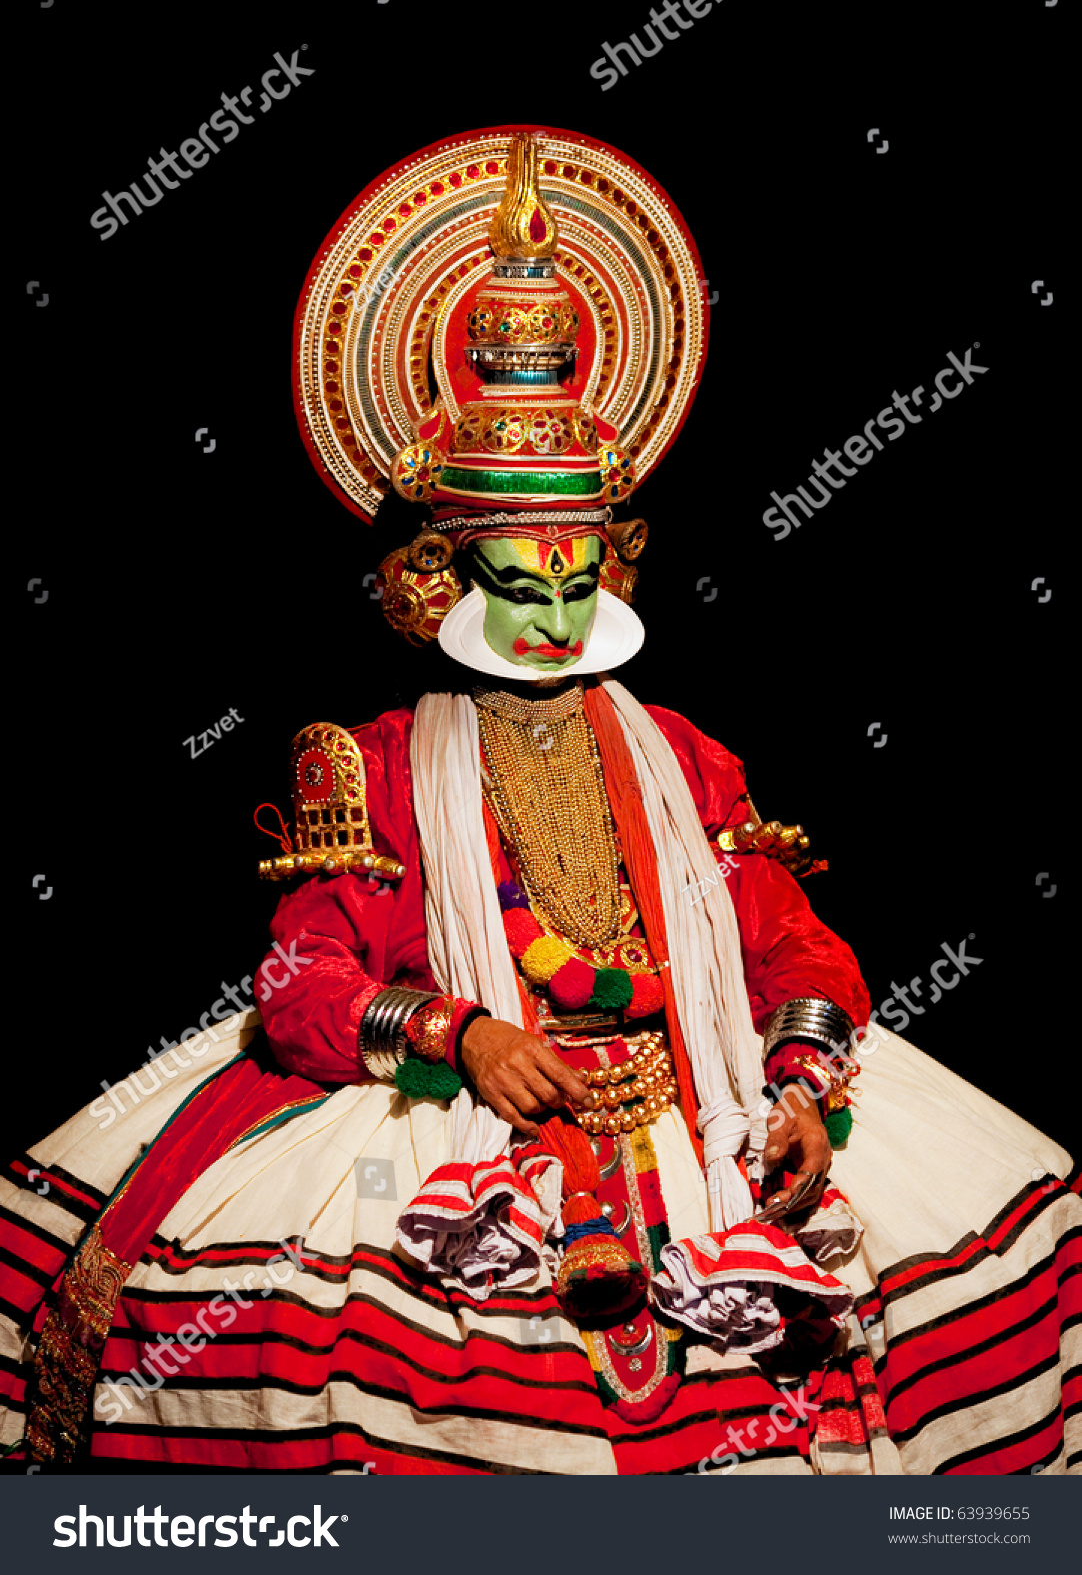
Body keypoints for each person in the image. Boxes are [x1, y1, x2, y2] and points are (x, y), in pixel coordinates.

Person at [2, 130, 1077, 1476]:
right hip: (466, 1116)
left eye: (583, 581)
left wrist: (804, 1090)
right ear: (440, 581)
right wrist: (459, 1036)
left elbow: (788, 945)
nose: (558, 617)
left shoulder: (685, 755)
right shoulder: (372, 764)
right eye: (523, 582)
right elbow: (300, 983)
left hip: (705, 1093)